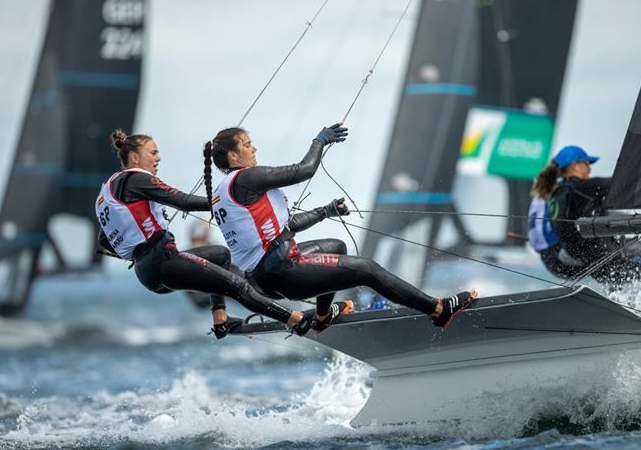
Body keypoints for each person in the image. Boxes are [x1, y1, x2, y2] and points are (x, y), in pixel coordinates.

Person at [202, 124, 477, 333]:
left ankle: (323, 317)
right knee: (367, 269)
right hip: (284, 272)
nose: (254, 149)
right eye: (248, 145)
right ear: (233, 155)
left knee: (336, 246)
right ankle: (438, 309)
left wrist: (326, 211)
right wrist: (319, 141)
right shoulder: (248, 177)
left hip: (265, 276)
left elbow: (285, 228)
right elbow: (304, 170)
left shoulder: (223, 192)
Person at [95, 129, 309, 338]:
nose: (158, 158)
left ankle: (220, 318)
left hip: (147, 271)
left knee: (220, 255)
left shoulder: (109, 190)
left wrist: (137, 250)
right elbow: (183, 201)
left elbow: (104, 241)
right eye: (153, 153)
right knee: (238, 285)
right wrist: (224, 203)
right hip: (163, 263)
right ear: (134, 157)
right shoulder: (136, 179)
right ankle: (294, 319)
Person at [534, 145, 641, 285]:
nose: (589, 168)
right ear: (574, 165)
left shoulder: (556, 195)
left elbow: (600, 216)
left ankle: (640, 299)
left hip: (592, 260)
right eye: (586, 163)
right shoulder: (580, 189)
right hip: (608, 260)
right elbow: (620, 185)